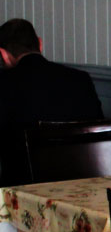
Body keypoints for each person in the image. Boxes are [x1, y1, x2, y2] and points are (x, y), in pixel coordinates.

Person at [0, 18, 104, 186]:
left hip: (23, 190)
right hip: (83, 184)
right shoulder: (80, 79)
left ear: (3, 54)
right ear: (39, 44)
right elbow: (101, 131)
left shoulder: (4, 83)